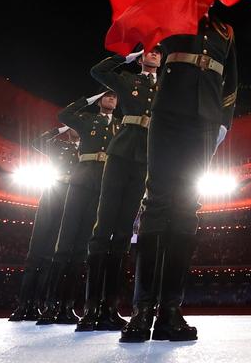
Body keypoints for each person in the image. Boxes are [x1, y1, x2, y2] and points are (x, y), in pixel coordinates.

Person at [121, 6, 238, 343]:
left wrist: (222, 122)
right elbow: (144, 28)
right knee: (156, 203)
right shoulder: (173, 15)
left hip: (204, 118)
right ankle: (142, 310)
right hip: (168, 112)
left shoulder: (226, 32)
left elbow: (231, 82)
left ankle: (170, 311)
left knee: (187, 208)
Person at [76, 48, 161, 332]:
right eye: (149, 51)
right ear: (141, 58)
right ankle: (90, 310)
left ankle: (110, 309)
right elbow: (98, 72)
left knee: (124, 232)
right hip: (121, 151)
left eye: (159, 52)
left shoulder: (166, 85)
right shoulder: (127, 79)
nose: (154, 54)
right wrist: (127, 56)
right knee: (103, 228)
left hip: (146, 156)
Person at [34, 90, 119, 325]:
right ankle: (51, 307)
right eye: (107, 96)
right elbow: (64, 114)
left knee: (83, 248)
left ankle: (68, 307)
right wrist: (90, 98)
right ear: (100, 100)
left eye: (114, 96)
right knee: (64, 243)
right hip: (80, 180)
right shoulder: (87, 120)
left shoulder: (121, 126)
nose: (111, 99)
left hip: (103, 183)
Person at [8, 123, 77, 321]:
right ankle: (24, 305)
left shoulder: (90, 149)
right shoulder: (59, 146)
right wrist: (62, 129)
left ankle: (48, 305)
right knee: (36, 251)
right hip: (52, 194)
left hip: (73, 197)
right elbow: (37, 142)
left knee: (56, 256)